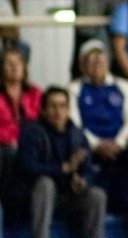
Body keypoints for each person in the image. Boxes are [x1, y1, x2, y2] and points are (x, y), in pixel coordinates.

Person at [18, 87, 106, 238]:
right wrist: (61, 169)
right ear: (44, 110)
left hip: (68, 197)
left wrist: (83, 182)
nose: (58, 111)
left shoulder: (77, 135)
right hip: (37, 198)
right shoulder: (32, 132)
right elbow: (27, 168)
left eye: (62, 106)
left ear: (68, 109)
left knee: (97, 195)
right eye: (53, 106)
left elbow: (89, 170)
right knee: (46, 184)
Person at [68, 39, 128, 213]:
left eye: (100, 57)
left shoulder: (123, 86)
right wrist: (97, 144)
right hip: (89, 145)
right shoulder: (74, 88)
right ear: (82, 64)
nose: (97, 62)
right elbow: (75, 122)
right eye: (91, 58)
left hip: (118, 146)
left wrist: (119, 143)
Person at [0, 48, 42, 198]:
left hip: (30, 146)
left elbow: (41, 124)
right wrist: (11, 140)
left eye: (18, 63)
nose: (14, 67)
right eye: (9, 63)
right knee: (9, 154)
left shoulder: (35, 93)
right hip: (4, 147)